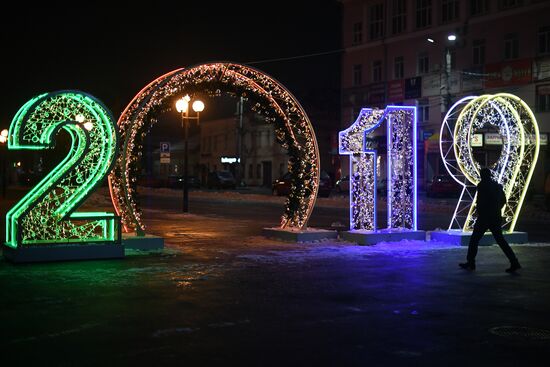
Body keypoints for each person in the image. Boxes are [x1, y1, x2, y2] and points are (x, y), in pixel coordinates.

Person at [459, 168, 521, 273]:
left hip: (484, 218)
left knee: (474, 240)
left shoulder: (482, 185)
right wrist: (496, 209)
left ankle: (471, 262)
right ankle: (514, 262)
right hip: (495, 216)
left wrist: (482, 212)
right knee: (500, 240)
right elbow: (503, 201)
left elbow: (480, 202)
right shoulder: (497, 186)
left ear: (482, 176)